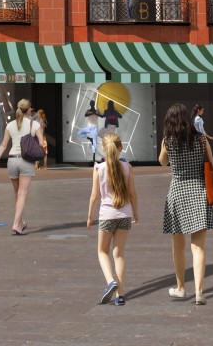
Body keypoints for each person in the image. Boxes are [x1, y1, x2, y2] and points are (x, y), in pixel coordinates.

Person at [159, 103, 213, 305]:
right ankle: (199, 292)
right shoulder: (200, 139)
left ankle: (181, 288)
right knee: (198, 248)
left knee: (178, 247)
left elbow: (162, 162)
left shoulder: (167, 141)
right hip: (198, 191)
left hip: (177, 192)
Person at [86, 131, 138, 306]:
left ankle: (110, 282)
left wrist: (89, 216)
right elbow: (132, 194)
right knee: (119, 255)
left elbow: (94, 196)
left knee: (102, 251)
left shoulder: (99, 169)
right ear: (120, 148)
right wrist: (136, 213)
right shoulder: (127, 167)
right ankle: (120, 295)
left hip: (107, 215)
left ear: (103, 149)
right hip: (124, 214)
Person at [0, 98, 45, 236]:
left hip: (12, 161)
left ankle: (20, 222)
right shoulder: (35, 125)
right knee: (22, 194)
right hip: (26, 161)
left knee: (17, 194)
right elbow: (41, 143)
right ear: (30, 110)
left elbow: (3, 145)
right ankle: (16, 225)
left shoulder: (10, 125)